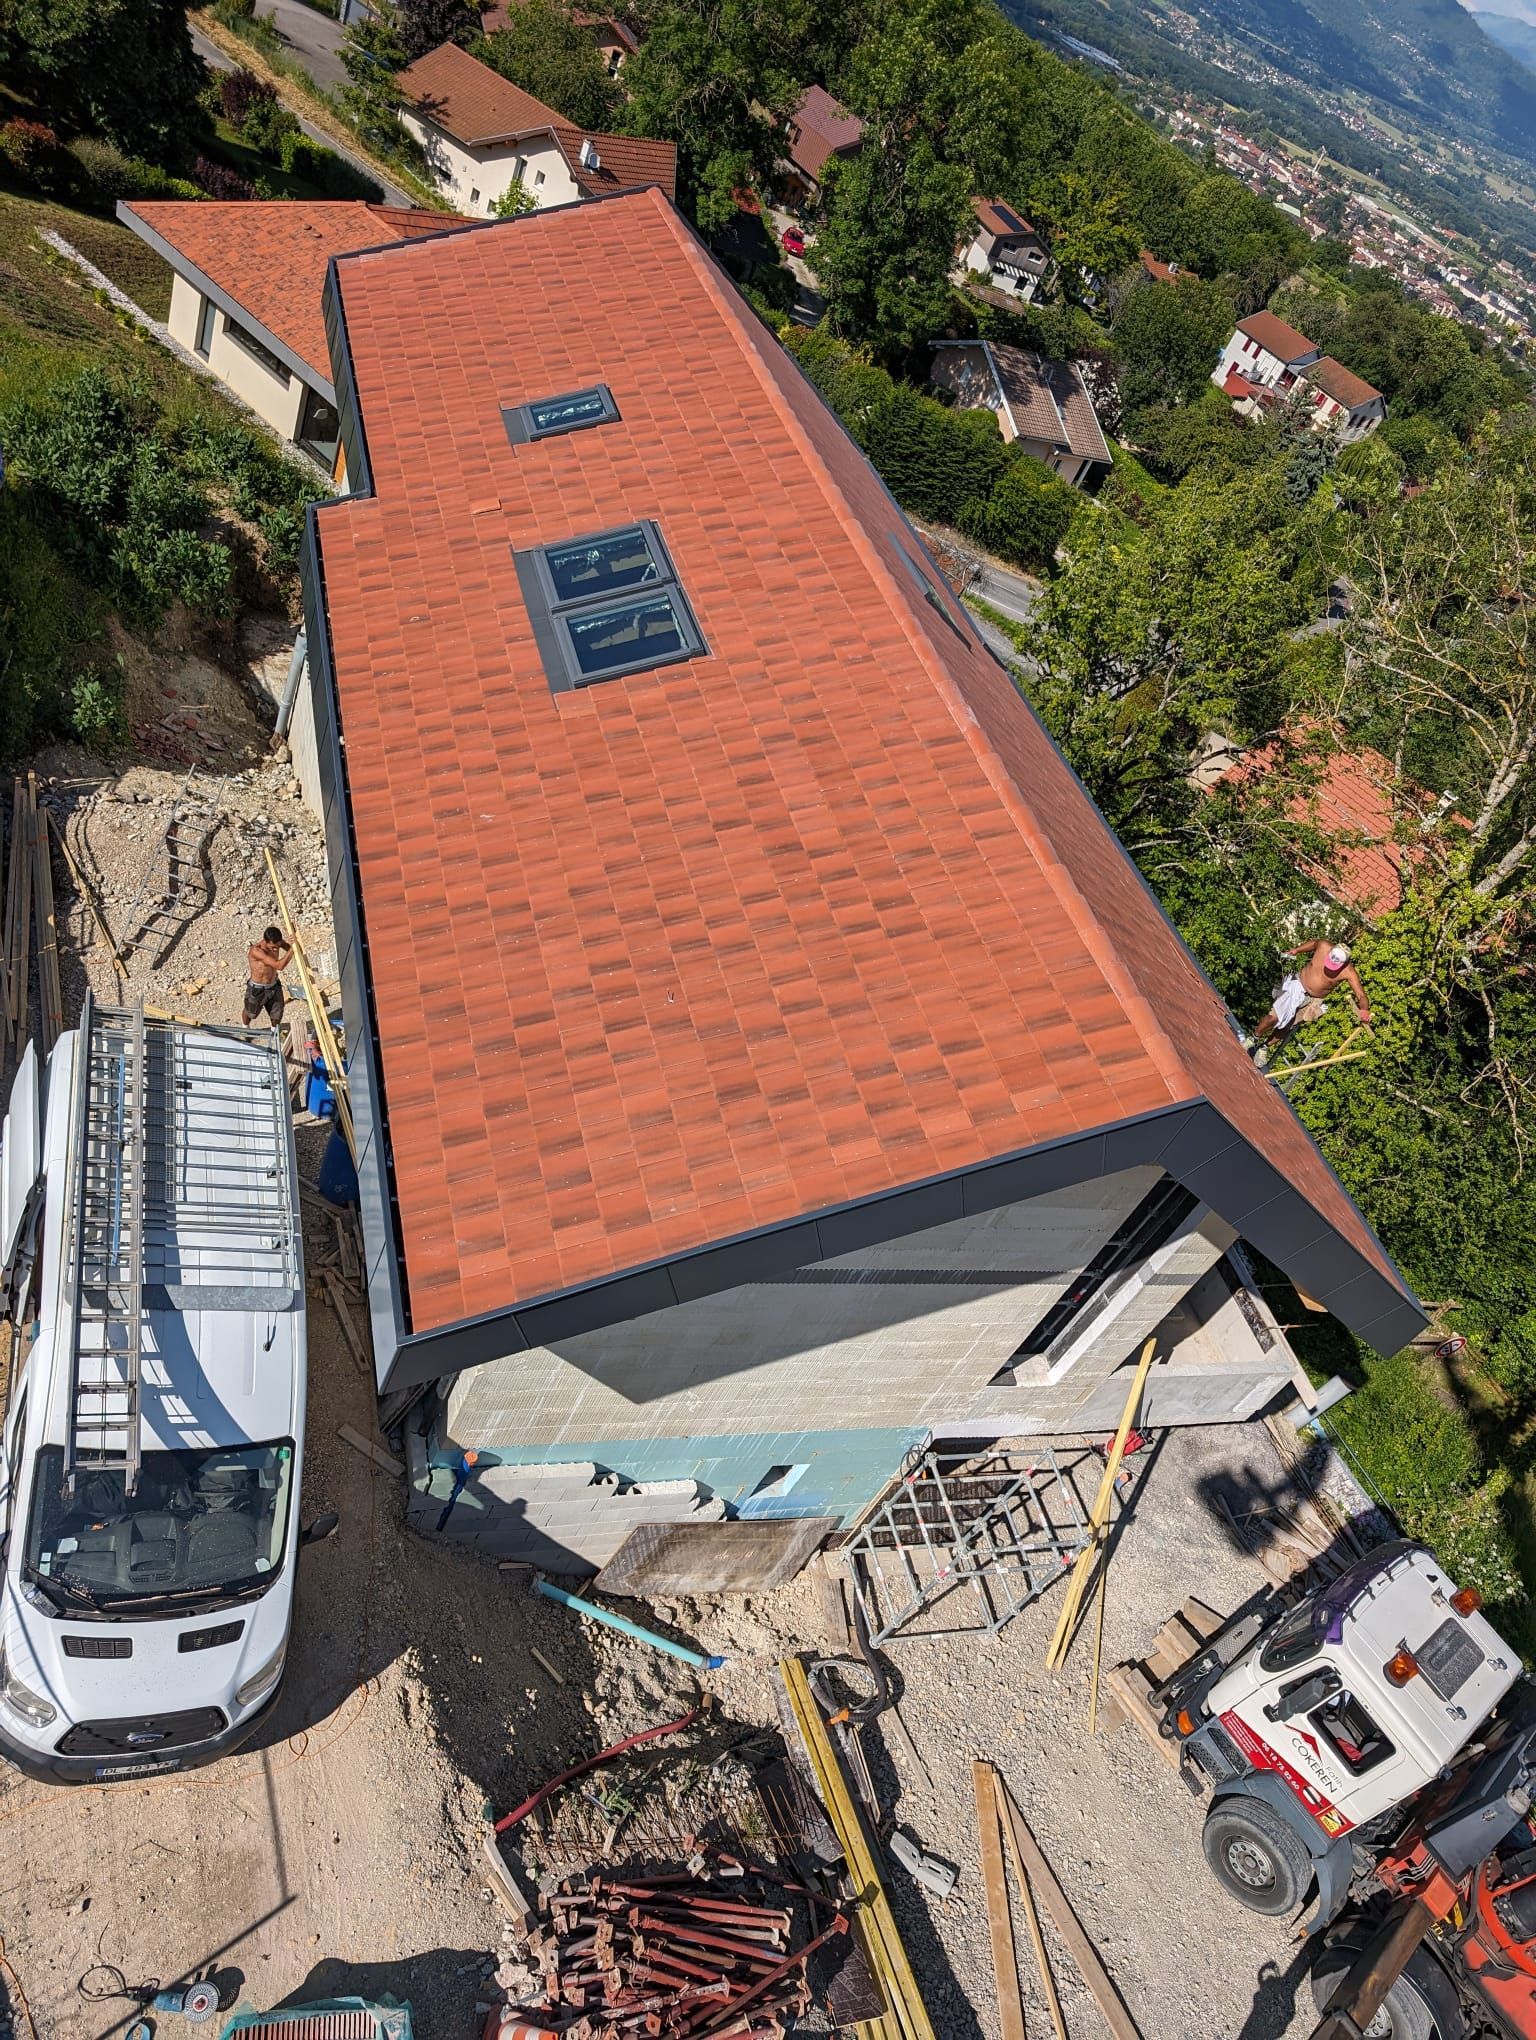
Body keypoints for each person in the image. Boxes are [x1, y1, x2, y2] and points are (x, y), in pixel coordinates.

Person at [1250, 940, 1371, 1067]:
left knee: (1287, 1026)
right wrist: (1297, 950)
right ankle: (1254, 1038)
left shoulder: (1349, 972)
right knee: (1274, 1017)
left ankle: (1264, 1048)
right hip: (1297, 985)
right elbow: (1314, 944)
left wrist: (1364, 1010)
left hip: (1313, 1000)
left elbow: (1361, 996)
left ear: (1343, 963)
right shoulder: (1324, 946)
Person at [244, 924, 293, 1026]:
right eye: (273, 947)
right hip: (258, 988)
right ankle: (245, 1027)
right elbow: (278, 966)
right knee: (251, 1012)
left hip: (273, 985)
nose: (275, 950)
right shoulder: (257, 951)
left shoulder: (277, 943)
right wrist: (293, 949)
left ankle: (274, 1031)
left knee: (277, 1014)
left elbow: (289, 948)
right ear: (265, 942)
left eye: (278, 947)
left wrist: (294, 943)